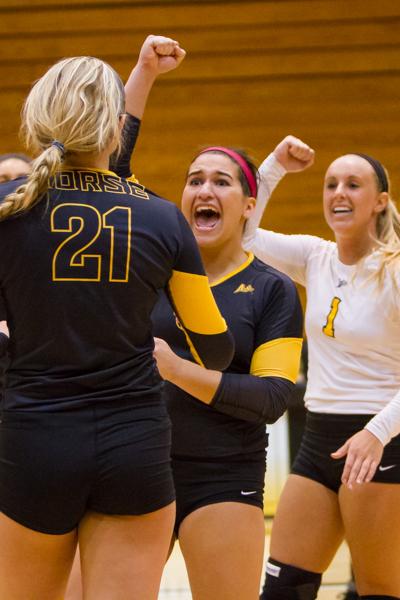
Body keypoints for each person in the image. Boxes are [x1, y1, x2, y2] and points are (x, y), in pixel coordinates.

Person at [0, 36, 235, 600]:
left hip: (33, 443)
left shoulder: (8, 208)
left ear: (37, 120)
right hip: (134, 444)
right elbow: (215, 349)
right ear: (114, 128)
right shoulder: (160, 218)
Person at [149, 141, 312, 599]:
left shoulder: (272, 288)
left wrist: (177, 370)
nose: (205, 189)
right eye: (195, 179)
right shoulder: (149, 273)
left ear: (248, 206)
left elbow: (271, 397)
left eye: (221, 182)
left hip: (223, 476)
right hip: (137, 467)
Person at [240, 140, 400, 598]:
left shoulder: (394, 270)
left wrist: (378, 432)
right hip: (319, 440)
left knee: (378, 589)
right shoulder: (317, 256)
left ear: (380, 201)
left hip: (378, 442)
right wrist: (273, 169)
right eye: (331, 185)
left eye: (353, 184)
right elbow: (245, 236)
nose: (338, 193)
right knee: (284, 587)